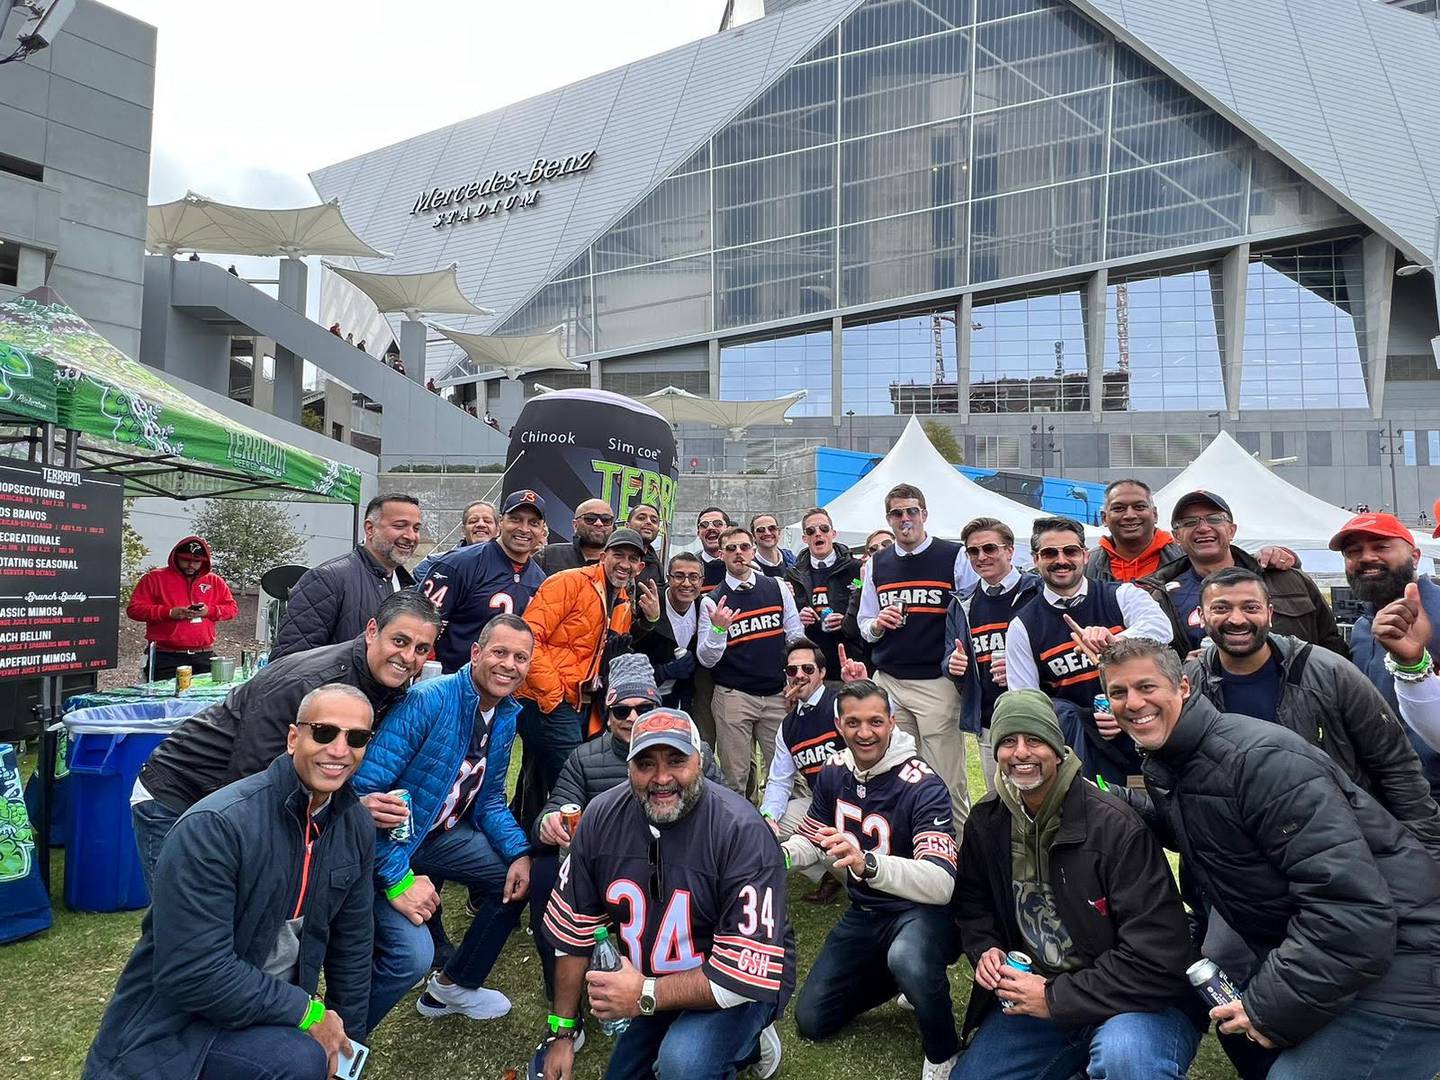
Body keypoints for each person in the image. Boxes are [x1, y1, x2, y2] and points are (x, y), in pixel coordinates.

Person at [1100, 637, 1440, 1080]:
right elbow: (1205, 827)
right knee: (1231, 1016)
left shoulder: (1260, 762)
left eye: (1147, 687)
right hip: (1351, 955)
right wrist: (1106, 797)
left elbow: (1350, 911)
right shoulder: (1178, 761)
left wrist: (1267, 1008)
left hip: (1409, 964)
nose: (1133, 703)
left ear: (1183, 687)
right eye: (1118, 693)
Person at [83, 685, 378, 1080]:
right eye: (324, 732)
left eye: (356, 738)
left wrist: (345, 1051)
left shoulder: (354, 824)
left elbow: (353, 945)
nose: (340, 750)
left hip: (266, 1010)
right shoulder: (217, 826)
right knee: (298, 1059)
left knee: (313, 1054)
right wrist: (307, 1013)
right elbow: (193, 971)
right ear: (294, 738)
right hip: (181, 1025)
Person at [950, 689, 1204, 1080]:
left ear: (1057, 747)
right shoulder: (987, 820)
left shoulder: (1115, 826)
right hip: (1041, 990)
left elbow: (1158, 957)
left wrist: (1055, 998)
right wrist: (987, 947)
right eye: (1007, 741)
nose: (1021, 753)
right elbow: (973, 901)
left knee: (1126, 1061)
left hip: (1136, 1000)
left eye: (1034, 739)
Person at [540, 707, 792, 1080]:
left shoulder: (742, 832)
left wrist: (643, 993)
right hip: (654, 981)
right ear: (628, 768)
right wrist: (561, 1031)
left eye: (676, 761)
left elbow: (743, 972)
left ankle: (750, 1036)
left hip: (732, 985)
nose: (661, 778)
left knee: (683, 1065)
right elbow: (573, 932)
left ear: (701, 761)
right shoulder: (600, 818)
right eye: (645, 764)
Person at [132, 591, 441, 887]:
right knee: (183, 928)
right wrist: (348, 810)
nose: (408, 657)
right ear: (372, 631)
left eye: (421, 649)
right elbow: (252, 776)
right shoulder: (309, 682)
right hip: (180, 793)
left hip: (239, 795)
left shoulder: (387, 686)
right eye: (399, 641)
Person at [353, 615, 535, 1030]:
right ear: (476, 653)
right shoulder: (430, 700)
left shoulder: (506, 713)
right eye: (500, 652)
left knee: (519, 878)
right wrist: (397, 876)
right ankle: (340, 1041)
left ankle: (453, 985)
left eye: (520, 657)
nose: (509, 664)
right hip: (392, 844)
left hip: (439, 836)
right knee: (407, 954)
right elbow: (360, 799)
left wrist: (520, 853)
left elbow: (489, 800)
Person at [1185, 567, 1440, 858]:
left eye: (1250, 607)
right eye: (1221, 608)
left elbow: (1395, 764)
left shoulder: (1329, 672)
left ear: (1269, 613)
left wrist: (1428, 852)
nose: (1237, 619)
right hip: (1246, 857)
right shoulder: (1189, 686)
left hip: (1343, 845)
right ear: (1201, 617)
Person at [785, 680, 961, 1080]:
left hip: (921, 913)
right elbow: (815, 839)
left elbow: (941, 883)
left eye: (876, 722)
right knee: (812, 1020)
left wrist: (869, 866)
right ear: (838, 724)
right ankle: (900, 976)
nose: (865, 733)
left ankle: (943, 1048)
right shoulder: (833, 771)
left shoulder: (923, 783)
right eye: (854, 722)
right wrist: (779, 856)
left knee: (908, 957)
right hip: (865, 912)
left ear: (892, 722)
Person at [527, 655, 724, 1005]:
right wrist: (550, 823)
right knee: (544, 872)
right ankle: (562, 991)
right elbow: (556, 807)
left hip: (683, 860)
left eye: (644, 707)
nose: (632, 717)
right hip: (610, 869)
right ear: (607, 712)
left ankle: (713, 981)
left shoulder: (697, 754)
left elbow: (728, 807)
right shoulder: (585, 758)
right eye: (621, 710)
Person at [1002, 516, 1171, 785]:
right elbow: (1026, 701)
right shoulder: (1024, 625)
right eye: (1049, 553)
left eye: (1070, 551)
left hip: (1141, 726)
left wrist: (1113, 639)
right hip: (1080, 745)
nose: (1061, 560)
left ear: (1085, 555)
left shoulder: (1120, 595)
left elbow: (1162, 629)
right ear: (1036, 560)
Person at [856, 483, 978, 823]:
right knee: (894, 772)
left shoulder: (953, 556)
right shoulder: (877, 563)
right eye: (897, 513)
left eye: (911, 511)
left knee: (945, 779)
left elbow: (971, 611)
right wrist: (878, 624)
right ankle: (907, 850)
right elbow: (864, 622)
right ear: (888, 519)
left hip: (935, 682)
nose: (905, 519)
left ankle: (959, 858)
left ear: (924, 514)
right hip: (890, 680)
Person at [1139, 490, 1347, 656]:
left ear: (1231, 530)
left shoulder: (1287, 578)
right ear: (1176, 537)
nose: (1203, 528)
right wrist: (1183, 668)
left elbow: (1331, 644)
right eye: (1190, 522)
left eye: (1214, 519)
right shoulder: (1161, 597)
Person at [517, 529, 646, 790]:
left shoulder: (622, 602)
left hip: (583, 705)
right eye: (618, 555)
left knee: (541, 784)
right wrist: (553, 696)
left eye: (632, 559)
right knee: (575, 781)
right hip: (550, 701)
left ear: (640, 567)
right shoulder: (568, 582)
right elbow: (527, 639)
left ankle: (530, 828)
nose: (625, 564)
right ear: (602, 556)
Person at [1330, 511, 1440, 796]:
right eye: (1353, 551)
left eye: (1381, 547)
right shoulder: (1362, 627)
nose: (1366, 557)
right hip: (1383, 789)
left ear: (1415, 557)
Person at [698, 525, 805, 796]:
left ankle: (787, 831)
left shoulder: (776, 587)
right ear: (721, 554)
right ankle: (740, 832)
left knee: (786, 770)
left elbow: (795, 636)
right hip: (734, 695)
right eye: (731, 548)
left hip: (776, 693)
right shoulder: (711, 601)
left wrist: (795, 681)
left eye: (744, 547)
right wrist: (719, 629)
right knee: (735, 777)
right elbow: (706, 659)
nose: (738, 553)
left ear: (753, 550)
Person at [944, 517, 1041, 792]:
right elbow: (949, 654)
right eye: (973, 551)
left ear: (1009, 551)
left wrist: (1022, 667)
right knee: (998, 798)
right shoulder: (962, 602)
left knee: (1043, 799)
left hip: (1038, 715)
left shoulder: (1036, 592)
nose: (981, 557)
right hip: (990, 720)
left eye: (989, 549)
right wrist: (953, 663)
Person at [272, 494, 421, 660]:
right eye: (400, 526)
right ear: (370, 529)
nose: (411, 536)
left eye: (416, 528)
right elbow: (288, 664)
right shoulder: (326, 580)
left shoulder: (409, 588)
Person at [416, 489, 547, 673]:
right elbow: (419, 624)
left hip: (504, 686)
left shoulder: (540, 580)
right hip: (451, 683)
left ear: (542, 529)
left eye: (533, 523)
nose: (524, 529)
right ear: (501, 522)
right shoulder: (458, 564)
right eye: (516, 519)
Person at [759, 638, 848, 903]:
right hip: (822, 806)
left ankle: (858, 882)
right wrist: (768, 818)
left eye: (807, 669)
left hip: (859, 804)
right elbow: (778, 780)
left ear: (821, 673)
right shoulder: (788, 726)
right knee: (770, 823)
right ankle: (827, 873)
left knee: (832, 844)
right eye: (792, 670)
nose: (799, 675)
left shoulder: (839, 704)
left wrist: (858, 686)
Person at [126, 535, 238, 680]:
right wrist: (169, 612)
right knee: (163, 700)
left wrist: (208, 611)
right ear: (176, 557)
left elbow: (232, 609)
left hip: (203, 655)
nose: (191, 565)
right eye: (186, 560)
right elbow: (134, 609)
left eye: (196, 562)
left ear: (204, 562)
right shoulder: (154, 578)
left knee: (207, 700)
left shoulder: (214, 581)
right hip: (165, 656)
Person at [786, 507, 862, 685]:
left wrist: (846, 620)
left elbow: (867, 613)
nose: (818, 534)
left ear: (834, 533)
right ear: (805, 538)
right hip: (810, 668)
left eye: (824, 529)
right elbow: (787, 619)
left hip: (848, 664)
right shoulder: (793, 574)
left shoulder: (856, 568)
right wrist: (799, 617)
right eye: (811, 531)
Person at [636, 552, 703, 710]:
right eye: (679, 576)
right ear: (668, 578)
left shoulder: (704, 607)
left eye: (693, 577)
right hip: (645, 699)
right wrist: (662, 672)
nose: (686, 583)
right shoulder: (648, 603)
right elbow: (630, 648)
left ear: (702, 581)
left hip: (684, 699)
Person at [536, 498, 616, 572]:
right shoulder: (548, 555)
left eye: (606, 520)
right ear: (575, 525)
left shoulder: (620, 563)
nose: (599, 523)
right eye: (590, 518)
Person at [695, 506, 731, 592]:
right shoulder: (690, 567)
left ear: (728, 530)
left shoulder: (743, 565)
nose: (710, 528)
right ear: (698, 534)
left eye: (718, 523)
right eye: (704, 525)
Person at [750, 513, 794, 577]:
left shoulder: (793, 560)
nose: (767, 533)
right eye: (761, 530)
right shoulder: (749, 568)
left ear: (779, 532)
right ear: (753, 537)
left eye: (772, 528)